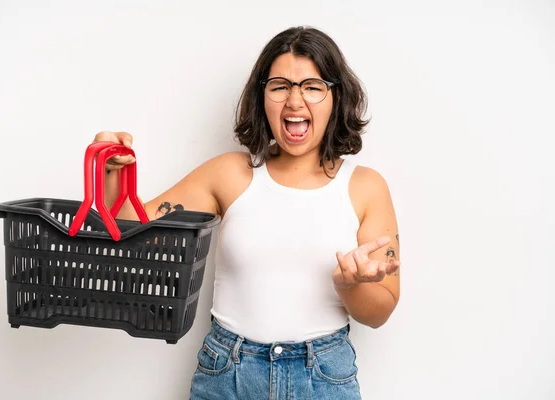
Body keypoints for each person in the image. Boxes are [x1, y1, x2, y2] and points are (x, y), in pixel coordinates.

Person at [93, 26, 400, 400]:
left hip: (322, 377)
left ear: (336, 97)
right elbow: (129, 235)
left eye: (313, 86)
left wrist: (351, 285)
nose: (295, 101)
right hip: (226, 374)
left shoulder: (366, 186)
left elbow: (379, 313)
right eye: (280, 86)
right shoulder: (230, 174)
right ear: (262, 96)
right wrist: (112, 170)